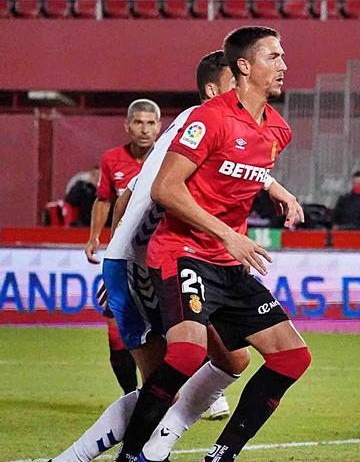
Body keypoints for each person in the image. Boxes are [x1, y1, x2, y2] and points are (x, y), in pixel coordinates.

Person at [54, 51, 294, 462]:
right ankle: (95, 456)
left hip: (185, 257)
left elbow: (141, 188)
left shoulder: (218, 130)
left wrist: (274, 186)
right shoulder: (201, 118)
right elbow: (140, 192)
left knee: (232, 358)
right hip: (145, 261)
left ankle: (158, 443)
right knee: (170, 376)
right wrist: (121, 262)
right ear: (215, 91)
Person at [113, 26, 311, 462]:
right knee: (186, 352)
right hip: (183, 251)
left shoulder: (278, 130)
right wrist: (228, 234)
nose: (284, 66)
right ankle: (131, 455)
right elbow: (166, 188)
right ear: (244, 66)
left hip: (228, 261)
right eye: (273, 57)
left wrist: (278, 189)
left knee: (292, 357)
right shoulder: (209, 117)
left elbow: (241, 168)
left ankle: (222, 454)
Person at [81, 99, 161, 395]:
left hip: (160, 255)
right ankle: (131, 397)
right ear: (127, 126)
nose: (144, 129)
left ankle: (204, 393)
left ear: (159, 127)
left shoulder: (170, 158)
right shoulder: (112, 159)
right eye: (138, 122)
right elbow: (103, 200)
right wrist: (94, 237)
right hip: (124, 258)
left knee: (173, 329)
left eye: (150, 123)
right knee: (117, 336)